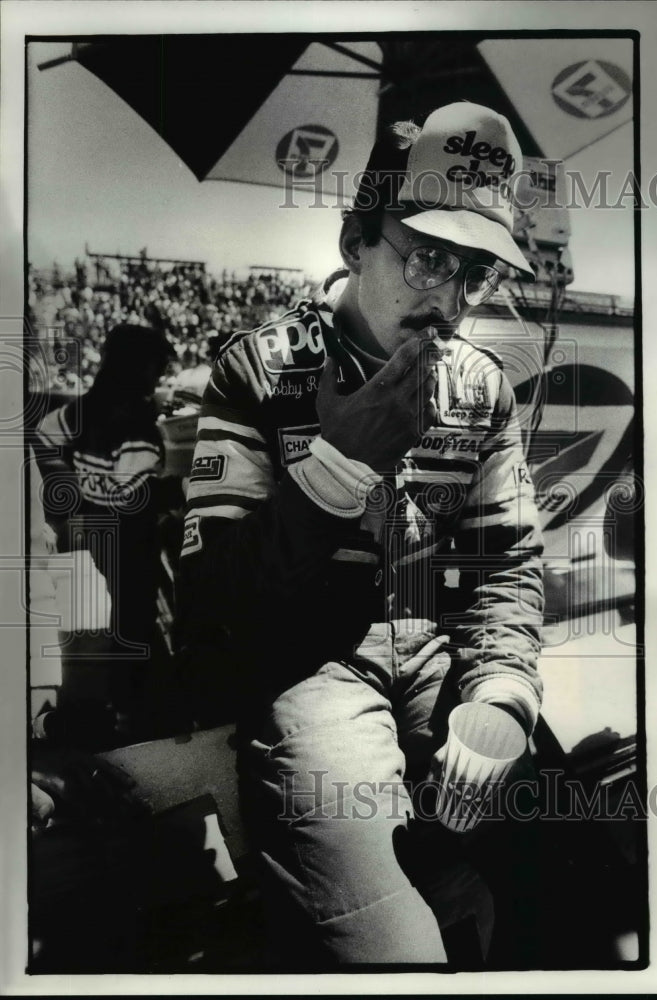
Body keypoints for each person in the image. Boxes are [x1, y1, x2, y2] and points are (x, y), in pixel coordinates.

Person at [176, 103, 545, 965]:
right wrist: (338, 466)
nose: (450, 302)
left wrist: (501, 695)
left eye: (475, 274)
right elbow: (213, 602)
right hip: (308, 666)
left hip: (438, 654)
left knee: (572, 870)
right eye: (428, 260)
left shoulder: (481, 388)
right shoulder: (259, 371)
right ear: (354, 242)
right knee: (394, 956)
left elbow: (506, 569)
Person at [35, 324, 173, 737]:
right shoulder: (139, 429)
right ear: (139, 368)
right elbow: (134, 494)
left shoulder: (81, 410)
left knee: (120, 612)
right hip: (132, 537)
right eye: (155, 368)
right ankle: (133, 711)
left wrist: (71, 485)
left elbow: (43, 436)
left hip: (94, 530)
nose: (159, 377)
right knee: (135, 619)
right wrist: (174, 488)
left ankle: (125, 697)